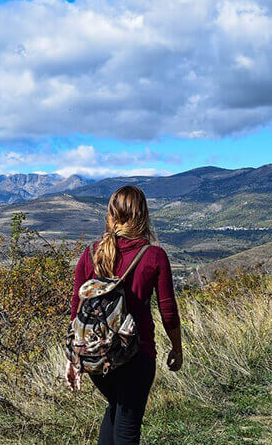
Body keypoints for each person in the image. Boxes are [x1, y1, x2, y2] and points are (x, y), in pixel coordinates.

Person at [66, 185, 183, 445]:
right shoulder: (154, 256)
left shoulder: (91, 252)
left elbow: (77, 307)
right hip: (137, 354)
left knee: (115, 410)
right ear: (143, 214)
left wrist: (73, 358)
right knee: (127, 428)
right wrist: (177, 348)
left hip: (96, 355)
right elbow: (168, 311)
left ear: (110, 215)